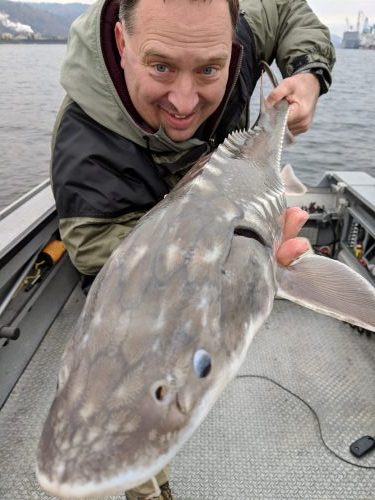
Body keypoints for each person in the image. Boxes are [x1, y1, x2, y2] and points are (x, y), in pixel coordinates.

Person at [51, 0, 335, 497]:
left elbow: (291, 11)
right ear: (123, 43)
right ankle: (148, 488)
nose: (184, 100)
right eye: (160, 66)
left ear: (232, 46)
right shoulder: (86, 156)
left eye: (209, 68)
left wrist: (308, 75)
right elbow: (110, 264)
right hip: (142, 205)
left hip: (239, 167)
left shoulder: (238, 27)